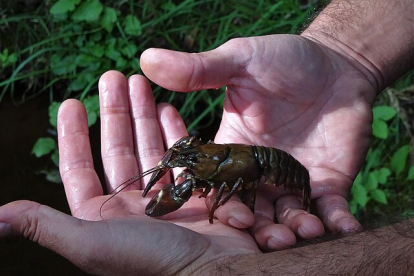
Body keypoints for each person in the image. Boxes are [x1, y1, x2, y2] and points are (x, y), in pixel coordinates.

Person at [1, 0, 413, 274]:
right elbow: (197, 160)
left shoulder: (240, 171)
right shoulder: (205, 160)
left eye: (191, 157)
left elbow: (240, 184)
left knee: (229, 189)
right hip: (252, 160)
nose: (186, 160)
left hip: (282, 171)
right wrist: (342, 53)